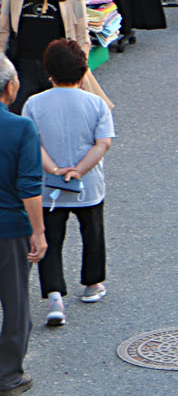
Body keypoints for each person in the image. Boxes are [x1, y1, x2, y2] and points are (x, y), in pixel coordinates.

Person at [26, 39, 112, 330]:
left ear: (49, 71)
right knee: (93, 232)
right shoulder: (96, 103)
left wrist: (54, 169)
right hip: (88, 184)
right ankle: (92, 283)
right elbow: (103, 143)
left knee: (50, 238)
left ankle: (54, 297)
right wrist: (79, 170)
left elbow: (32, 144)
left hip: (49, 186)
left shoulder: (34, 103)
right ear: (83, 70)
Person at [0, 0, 93, 115]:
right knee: (20, 113)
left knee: (57, 115)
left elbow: (82, 35)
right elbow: (3, 30)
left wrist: (81, 68)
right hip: (23, 65)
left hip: (59, 66)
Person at [0, 57, 43, 396]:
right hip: (9, 228)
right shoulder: (20, 128)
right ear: (11, 86)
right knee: (15, 304)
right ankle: (9, 375)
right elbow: (29, 187)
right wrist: (38, 232)